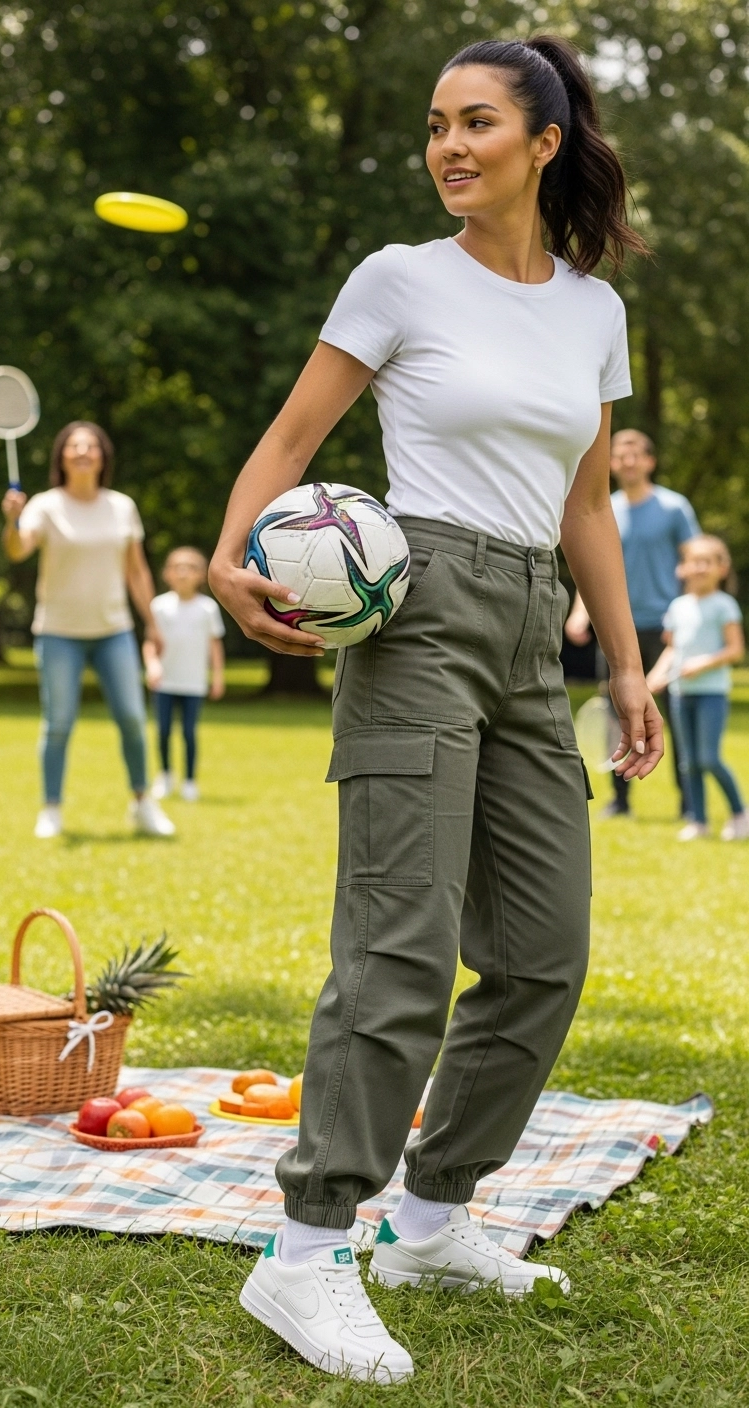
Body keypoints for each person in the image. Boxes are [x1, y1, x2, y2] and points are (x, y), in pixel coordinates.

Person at [210, 35, 663, 1383]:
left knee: (542, 953)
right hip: (415, 612)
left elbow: (587, 507)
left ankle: (430, 1214)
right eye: (433, 127)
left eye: (475, 124)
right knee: (399, 951)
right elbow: (294, 440)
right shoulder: (399, 279)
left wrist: (627, 666)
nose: (449, 147)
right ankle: (305, 1253)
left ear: (544, 142)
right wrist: (236, 560)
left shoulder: (592, 310)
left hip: (536, 631)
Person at [1, 421, 175, 838]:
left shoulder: (121, 506)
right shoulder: (44, 505)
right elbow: (18, 549)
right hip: (58, 632)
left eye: (91, 445)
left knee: (133, 718)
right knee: (58, 723)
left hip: (113, 629)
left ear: (103, 456)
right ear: (61, 456)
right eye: (74, 445)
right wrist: (11, 521)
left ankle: (141, 803)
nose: (82, 451)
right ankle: (51, 809)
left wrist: (151, 623)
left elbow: (136, 571)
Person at [565, 428, 698, 817]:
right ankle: (620, 802)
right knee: (616, 715)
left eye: (635, 453)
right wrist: (579, 613)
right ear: (609, 462)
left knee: (675, 716)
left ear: (650, 461)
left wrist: (689, 616)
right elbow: (592, 568)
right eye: (619, 453)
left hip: (666, 627)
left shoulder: (674, 508)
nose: (627, 460)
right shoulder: (602, 509)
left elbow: (695, 562)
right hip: (617, 627)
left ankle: (691, 804)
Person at [647, 535, 746, 841]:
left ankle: (740, 813)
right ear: (683, 568)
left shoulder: (724, 605)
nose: (700, 567)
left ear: (722, 568)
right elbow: (672, 650)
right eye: (694, 561)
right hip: (680, 694)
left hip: (711, 694)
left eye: (708, 561)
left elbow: (735, 651)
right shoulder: (678, 606)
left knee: (708, 759)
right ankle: (699, 821)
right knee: (688, 762)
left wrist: (701, 664)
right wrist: (653, 677)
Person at [143, 546, 226, 801]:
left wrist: (218, 677)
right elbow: (149, 642)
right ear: (167, 574)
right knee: (164, 731)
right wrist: (152, 665)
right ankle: (165, 776)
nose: (183, 573)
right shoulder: (158, 606)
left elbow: (214, 645)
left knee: (189, 732)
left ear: (201, 575)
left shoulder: (208, 608)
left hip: (193, 682)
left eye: (190, 568)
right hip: (165, 681)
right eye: (177, 567)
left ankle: (189, 781)